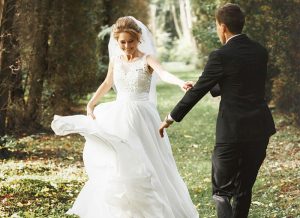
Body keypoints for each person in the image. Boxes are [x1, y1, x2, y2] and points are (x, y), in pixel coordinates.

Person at [51, 16, 198, 218]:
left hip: (142, 117)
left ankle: (155, 206)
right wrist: (91, 103)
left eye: (131, 41)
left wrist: (180, 82)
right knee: (120, 160)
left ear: (138, 40)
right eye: (122, 42)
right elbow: (106, 83)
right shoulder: (116, 61)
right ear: (117, 41)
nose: (127, 46)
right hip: (118, 115)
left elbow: (163, 74)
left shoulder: (147, 59)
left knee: (146, 160)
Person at [159, 3, 276, 218]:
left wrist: (170, 117)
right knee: (244, 188)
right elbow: (242, 81)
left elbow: (198, 93)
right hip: (260, 129)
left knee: (222, 191)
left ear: (222, 27)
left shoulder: (221, 55)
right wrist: (209, 83)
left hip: (231, 132)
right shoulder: (260, 51)